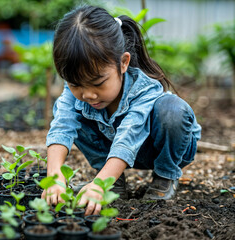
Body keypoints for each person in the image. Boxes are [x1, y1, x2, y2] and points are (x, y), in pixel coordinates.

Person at [41, 5, 201, 216]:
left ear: (123, 63)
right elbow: (62, 125)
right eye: (75, 84)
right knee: (69, 108)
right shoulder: (77, 90)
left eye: (98, 83)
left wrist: (98, 185)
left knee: (172, 110)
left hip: (161, 147)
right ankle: (114, 183)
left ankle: (165, 177)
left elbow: (128, 137)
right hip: (115, 152)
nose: (88, 94)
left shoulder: (143, 89)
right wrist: (54, 177)